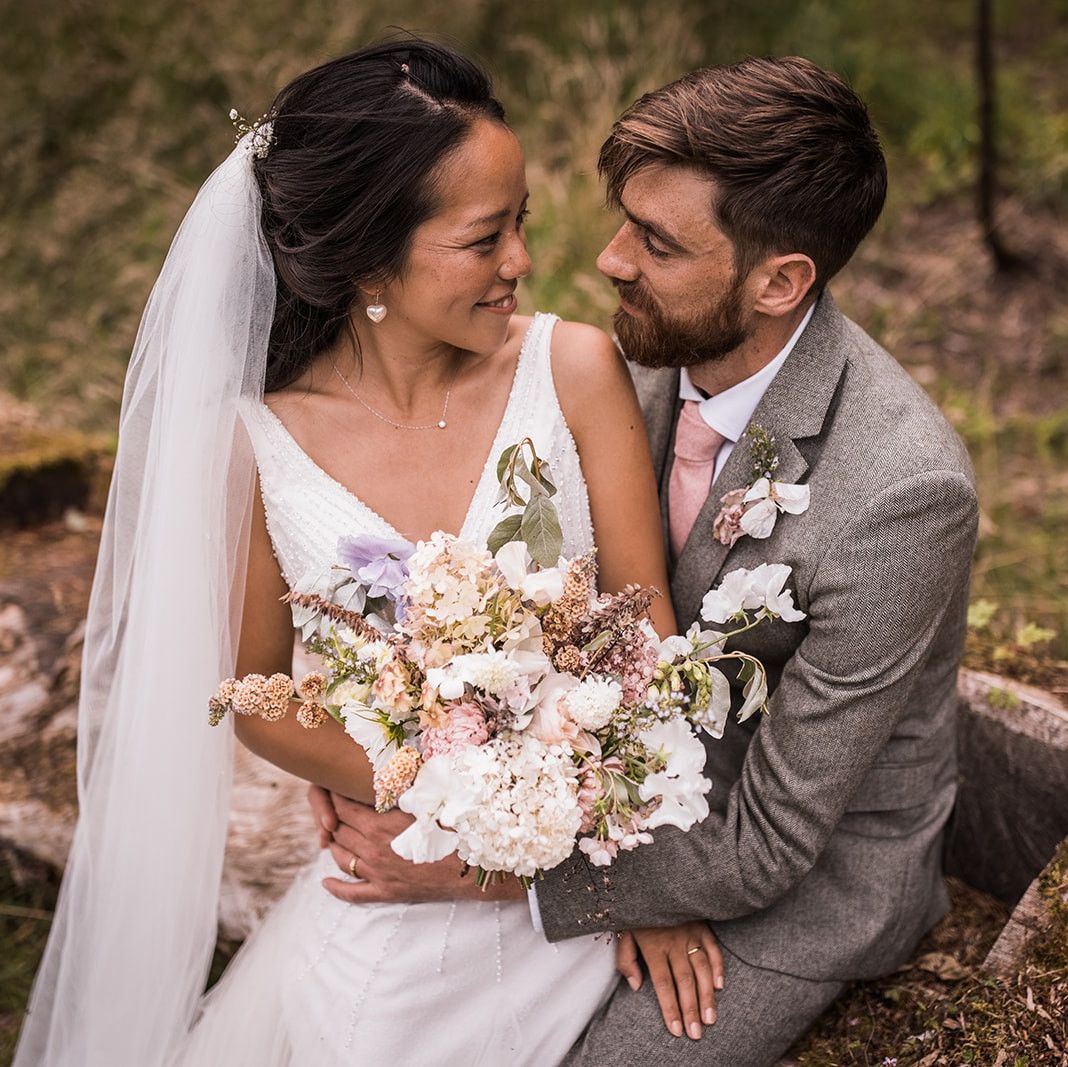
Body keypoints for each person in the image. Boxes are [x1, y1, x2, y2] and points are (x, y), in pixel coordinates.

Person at [16, 38, 721, 1066]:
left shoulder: (573, 369)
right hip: (397, 863)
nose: (521, 259)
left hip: (594, 842)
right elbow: (256, 693)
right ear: (366, 256)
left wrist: (616, 868)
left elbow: (647, 624)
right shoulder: (255, 445)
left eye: (519, 221)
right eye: (483, 239)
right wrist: (425, 783)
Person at [314, 57, 980, 1065]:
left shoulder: (902, 494)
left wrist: (489, 871)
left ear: (779, 280)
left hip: (794, 879)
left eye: (658, 243)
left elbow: (770, 841)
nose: (611, 260)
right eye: (623, 219)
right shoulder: (616, 361)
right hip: (585, 791)